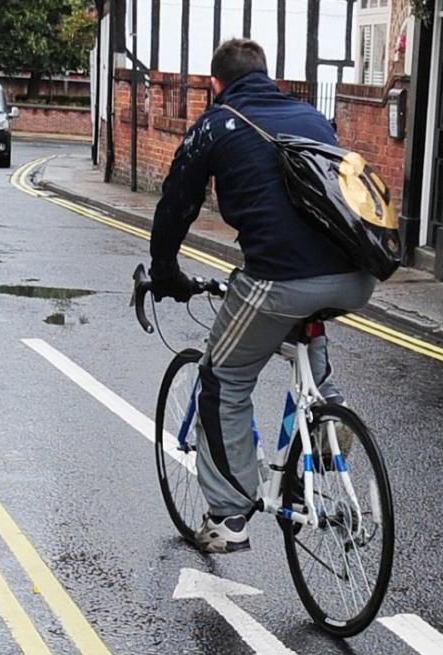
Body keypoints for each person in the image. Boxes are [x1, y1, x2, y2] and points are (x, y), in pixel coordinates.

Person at [148, 38, 376, 553]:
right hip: (357, 277)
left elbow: (177, 203)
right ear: (268, 76)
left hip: (278, 280)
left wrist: (165, 272)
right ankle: (327, 422)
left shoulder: (215, 123)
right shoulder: (313, 116)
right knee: (305, 346)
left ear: (215, 84)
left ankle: (229, 519)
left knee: (223, 376)